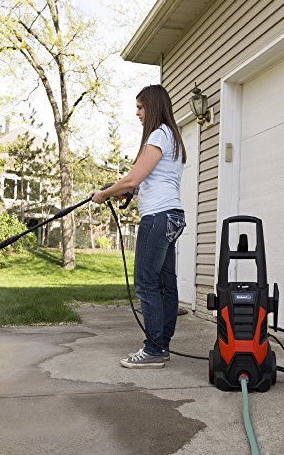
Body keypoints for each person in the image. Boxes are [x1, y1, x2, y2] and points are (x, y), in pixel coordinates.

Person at [91, 84, 186, 369]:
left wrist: (104, 194)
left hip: (157, 217)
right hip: (173, 215)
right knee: (165, 285)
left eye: (141, 108)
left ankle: (154, 349)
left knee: (146, 283)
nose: (137, 113)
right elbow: (145, 180)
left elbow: (133, 179)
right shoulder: (174, 138)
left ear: (152, 107)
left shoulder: (158, 134)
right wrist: (127, 190)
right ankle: (161, 345)